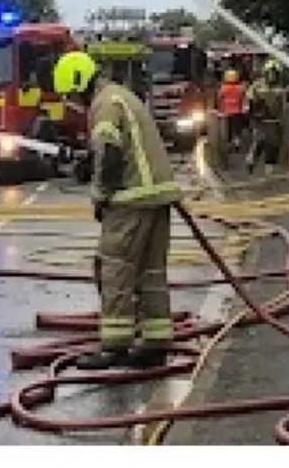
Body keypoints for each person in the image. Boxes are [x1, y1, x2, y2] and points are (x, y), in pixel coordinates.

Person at [56, 50, 182, 370]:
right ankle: (156, 344)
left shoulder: (103, 104)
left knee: (114, 269)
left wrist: (99, 195)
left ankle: (115, 346)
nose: (73, 102)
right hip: (158, 196)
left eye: (71, 94)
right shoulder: (121, 96)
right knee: (151, 273)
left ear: (79, 82)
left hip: (131, 199)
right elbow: (117, 149)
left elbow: (110, 156)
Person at [247, 60, 289, 175]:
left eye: (274, 73)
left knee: (273, 145)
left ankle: (269, 169)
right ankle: (251, 161)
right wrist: (253, 115)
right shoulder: (257, 85)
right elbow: (249, 102)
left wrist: (282, 120)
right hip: (260, 121)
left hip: (274, 121)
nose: (272, 75)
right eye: (270, 72)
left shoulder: (281, 88)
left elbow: (284, 105)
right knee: (259, 142)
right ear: (265, 72)